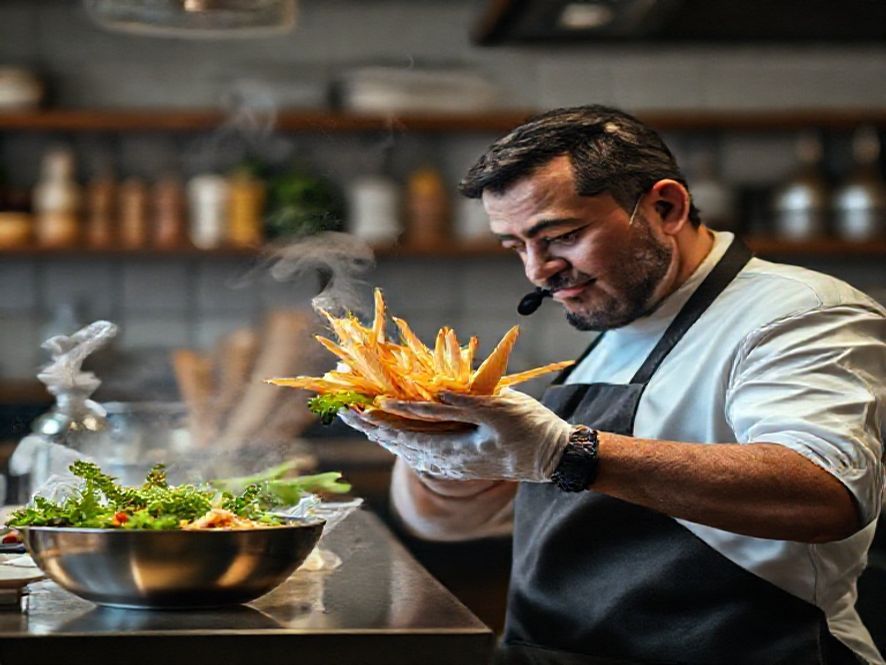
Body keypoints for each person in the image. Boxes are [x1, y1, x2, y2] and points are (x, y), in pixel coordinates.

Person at [340, 105, 886, 665]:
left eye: (561, 236)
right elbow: (452, 524)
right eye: (516, 246)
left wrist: (569, 453)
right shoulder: (620, 323)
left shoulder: (801, 312)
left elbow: (828, 493)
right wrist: (443, 461)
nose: (538, 271)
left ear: (665, 207)